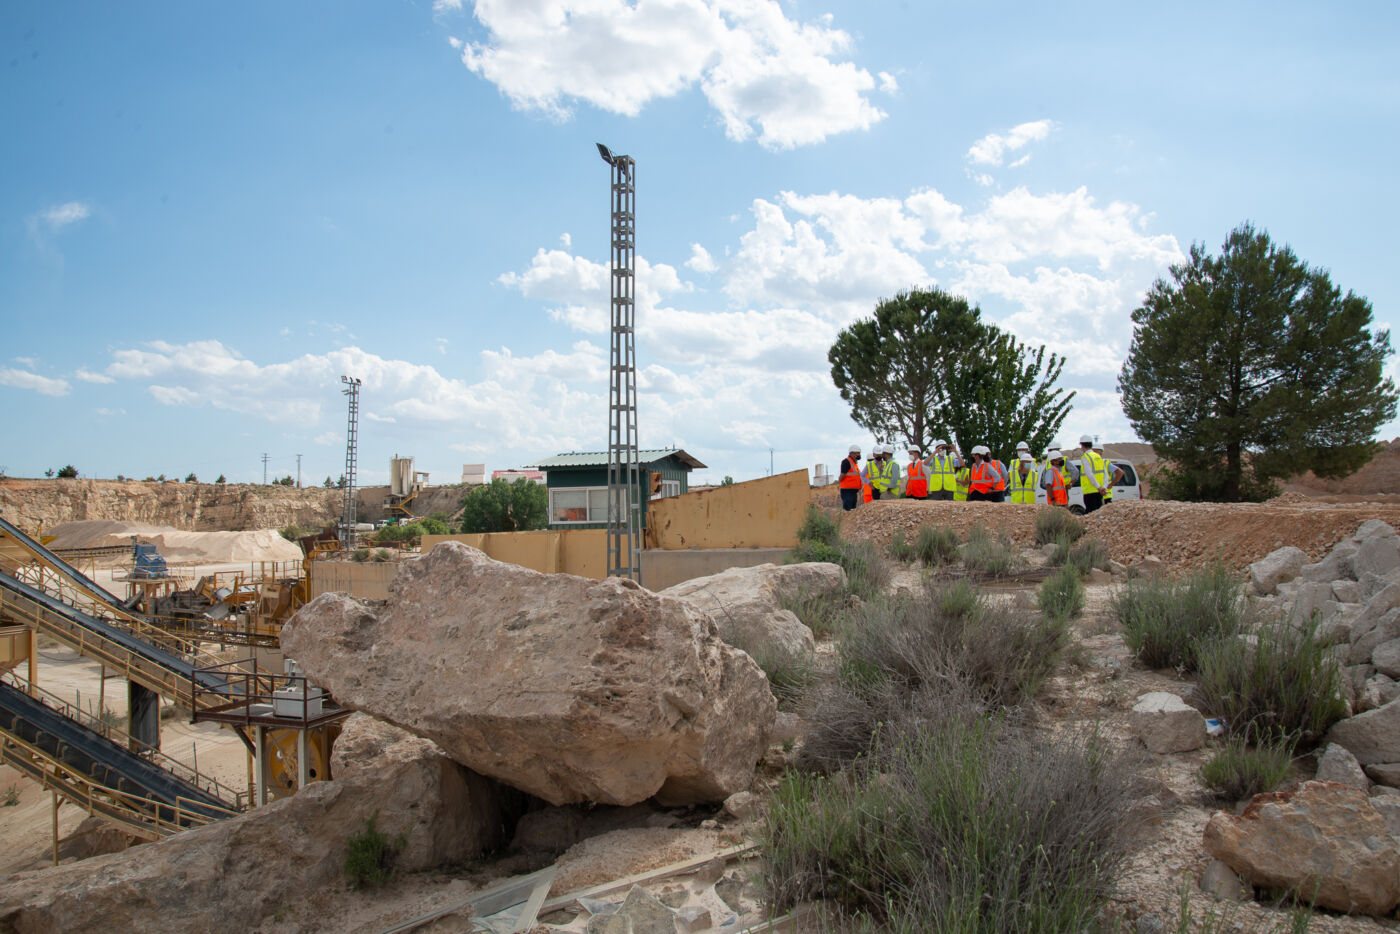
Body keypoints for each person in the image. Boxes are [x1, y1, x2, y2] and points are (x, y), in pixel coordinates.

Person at [1077, 435, 1106, 513]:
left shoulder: (1085, 457)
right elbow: (1104, 473)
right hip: (1099, 491)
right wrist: (1103, 487)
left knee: (1090, 514)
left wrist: (1098, 487)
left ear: (1082, 445)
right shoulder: (1097, 456)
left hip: (1090, 491)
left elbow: (1089, 474)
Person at [838, 444, 863, 511]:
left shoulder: (854, 463)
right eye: (857, 453)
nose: (859, 455)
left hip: (853, 491)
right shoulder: (846, 462)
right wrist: (839, 482)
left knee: (853, 509)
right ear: (852, 453)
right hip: (847, 491)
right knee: (848, 510)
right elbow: (842, 475)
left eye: (859, 453)